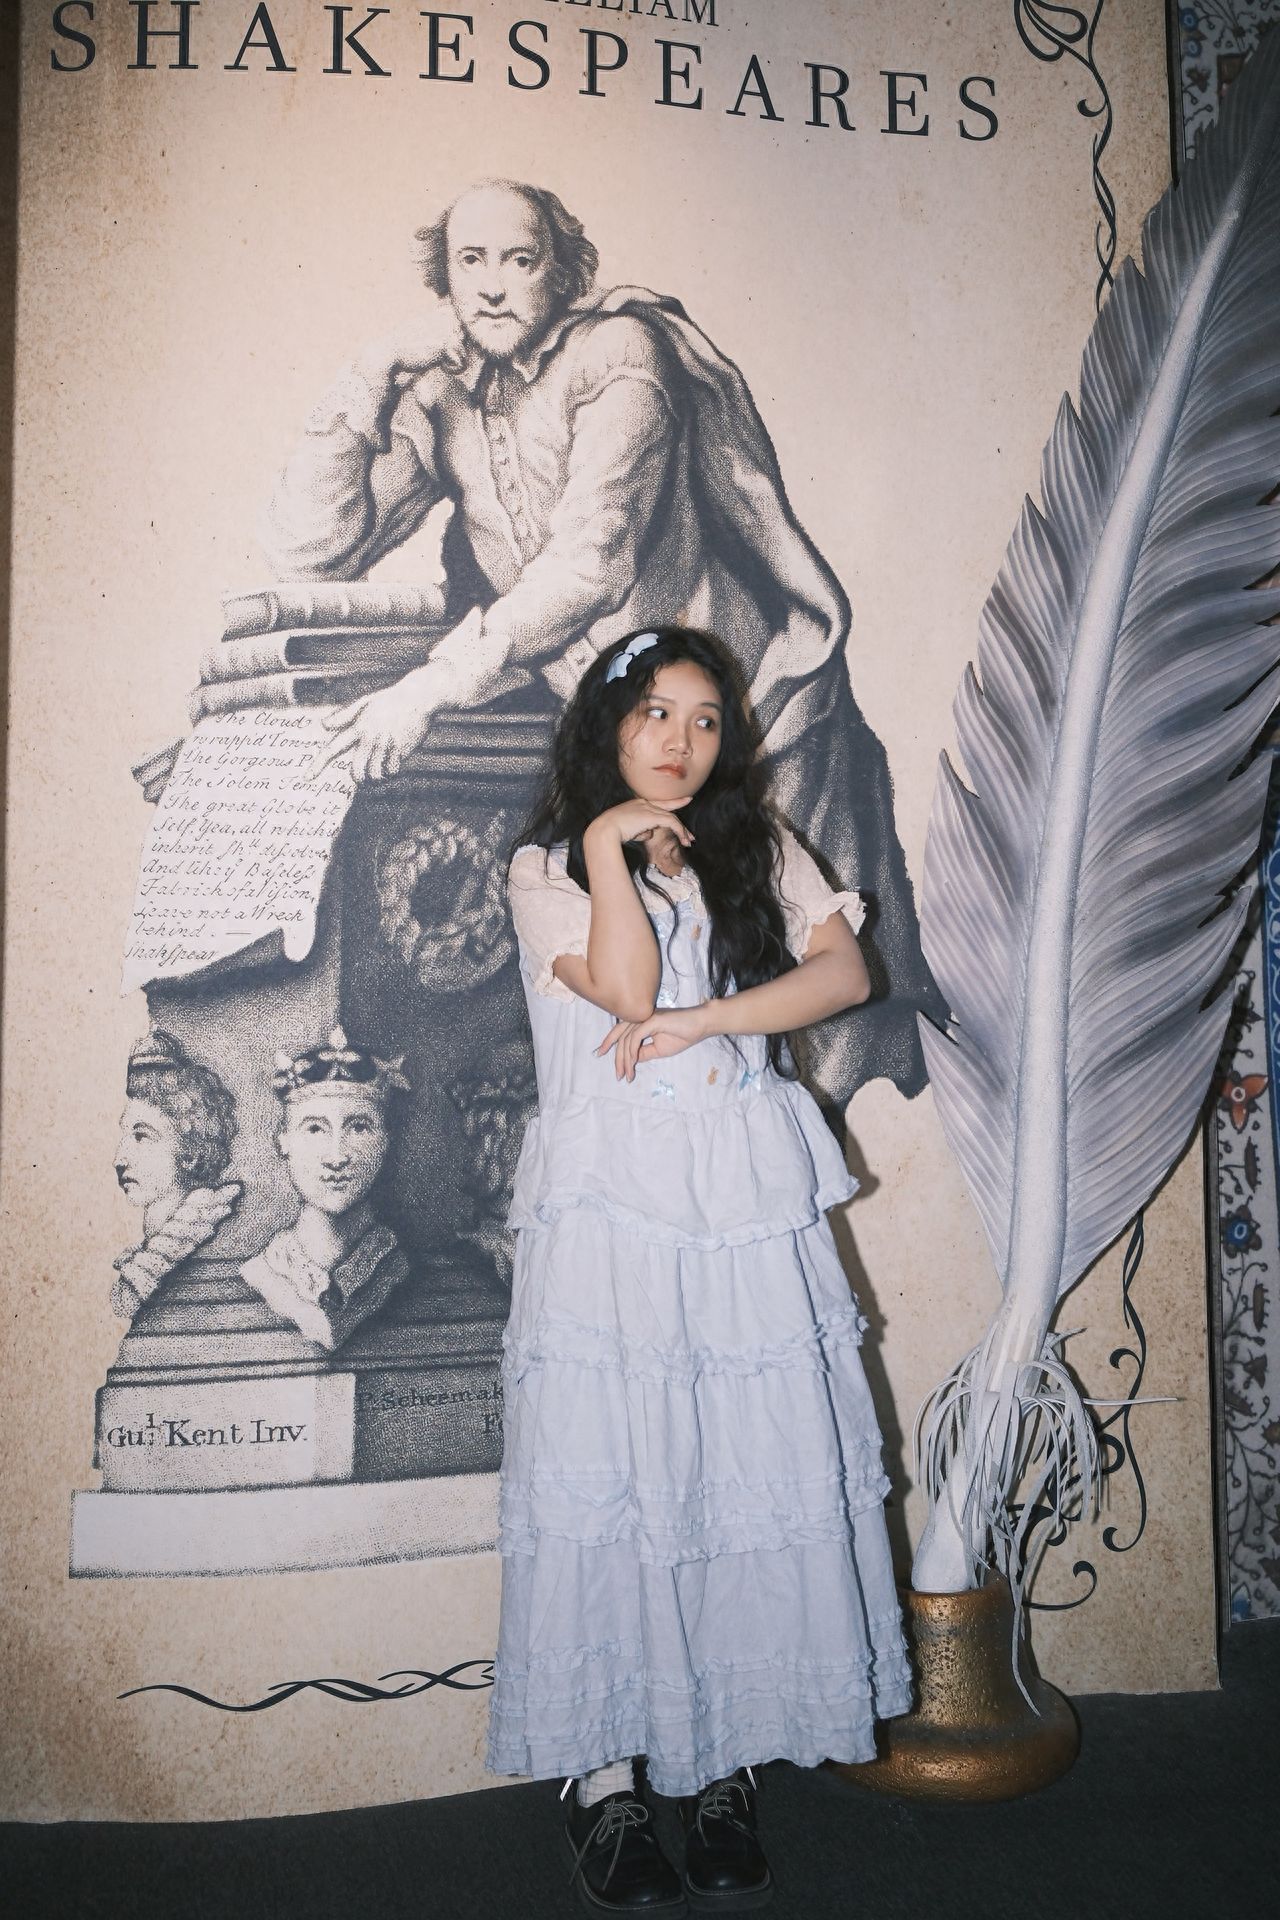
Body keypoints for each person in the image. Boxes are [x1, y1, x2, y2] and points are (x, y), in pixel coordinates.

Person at [263, 178, 944, 1109]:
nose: (494, 286)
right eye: (471, 261)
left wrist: (430, 685)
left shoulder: (619, 353)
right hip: (614, 746)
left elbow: (594, 559)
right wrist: (367, 374)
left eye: (520, 259)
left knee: (784, 1031)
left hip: (744, 722)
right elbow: (313, 548)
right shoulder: (439, 391)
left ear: (564, 271)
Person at [487, 628, 911, 1915]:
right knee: (616, 1471)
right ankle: (602, 1781)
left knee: (735, 1463)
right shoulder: (543, 865)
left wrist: (714, 1017)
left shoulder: (753, 845)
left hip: (735, 1188)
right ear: (605, 729)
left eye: (706, 720)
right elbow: (620, 987)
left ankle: (721, 1758)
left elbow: (843, 970)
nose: (680, 743)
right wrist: (614, 850)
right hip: (610, 1204)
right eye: (654, 716)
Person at [241, 1028, 410, 1352]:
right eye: (315, 1128)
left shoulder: (399, 1266)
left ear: (386, 1140)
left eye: (359, 1127)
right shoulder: (264, 1272)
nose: (336, 1157)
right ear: (284, 1142)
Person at [111, 1030, 241, 1320]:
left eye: (142, 1137)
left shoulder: (207, 1255)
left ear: (190, 1151)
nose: (119, 1159)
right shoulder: (143, 1254)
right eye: (126, 1136)